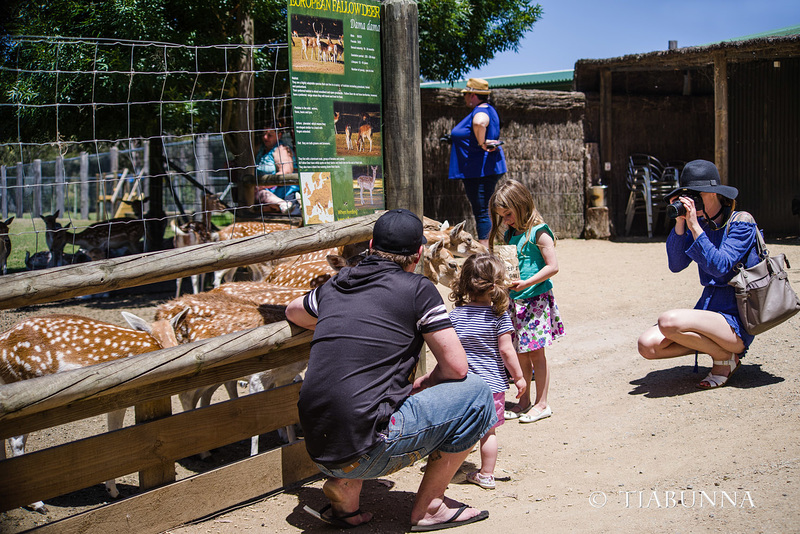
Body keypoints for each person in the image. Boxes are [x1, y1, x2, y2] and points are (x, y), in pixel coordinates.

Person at [285, 209, 496, 531]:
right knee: (477, 392)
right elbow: (456, 367)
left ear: (371, 244)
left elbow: (293, 311)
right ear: (419, 253)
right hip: (367, 447)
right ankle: (431, 507)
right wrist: (428, 381)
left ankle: (345, 492)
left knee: (358, 397)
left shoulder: (339, 283)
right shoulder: (418, 289)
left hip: (318, 444)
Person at [637, 159, 760, 388]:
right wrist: (681, 223)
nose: (690, 200)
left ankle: (724, 360)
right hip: (709, 311)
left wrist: (695, 227)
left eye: (694, 195)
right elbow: (676, 264)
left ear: (712, 194)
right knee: (647, 344)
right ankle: (725, 356)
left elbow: (721, 267)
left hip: (736, 318)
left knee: (668, 321)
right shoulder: (698, 223)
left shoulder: (741, 223)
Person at [488, 179, 564, 424]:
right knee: (520, 352)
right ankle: (524, 402)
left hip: (535, 301)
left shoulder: (539, 232)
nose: (506, 220)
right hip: (516, 301)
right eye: (502, 216)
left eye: (508, 214)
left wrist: (527, 283)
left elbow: (553, 267)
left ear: (521, 205)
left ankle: (542, 404)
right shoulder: (512, 233)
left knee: (536, 354)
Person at [448, 253, 526, 490]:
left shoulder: (455, 315)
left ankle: (449, 468)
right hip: (492, 386)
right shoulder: (498, 315)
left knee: (462, 430)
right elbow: (506, 351)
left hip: (463, 385)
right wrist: (520, 377)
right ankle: (486, 475)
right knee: (488, 432)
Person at [448, 78, 507, 249]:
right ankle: (487, 249)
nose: (465, 98)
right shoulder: (489, 109)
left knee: (482, 212)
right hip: (481, 169)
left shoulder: (481, 110)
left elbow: (479, 123)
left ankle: (485, 252)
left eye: (466, 94)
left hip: (479, 170)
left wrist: (482, 143)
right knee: (483, 211)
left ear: (473, 95)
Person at [254, 122, 298, 214]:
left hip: (283, 193)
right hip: (265, 193)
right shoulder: (260, 148)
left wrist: (262, 185)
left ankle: (283, 204)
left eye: (270, 135)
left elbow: (286, 173)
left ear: (279, 135)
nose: (265, 137)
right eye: (264, 134)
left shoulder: (281, 150)